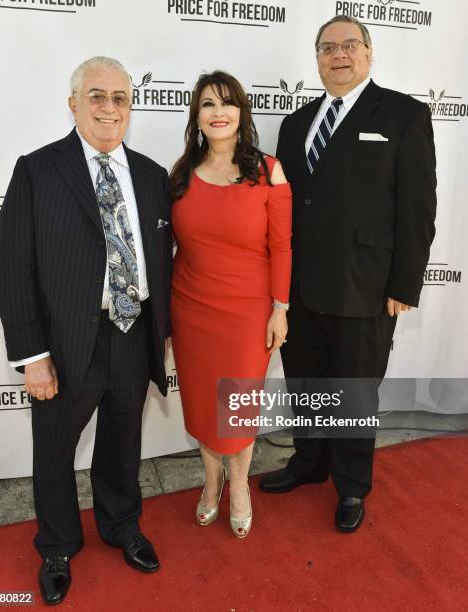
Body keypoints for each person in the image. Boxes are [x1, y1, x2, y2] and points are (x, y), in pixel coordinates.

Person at [0, 56, 171, 605]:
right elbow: (13, 269)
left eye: (120, 97)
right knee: (54, 447)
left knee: (123, 441)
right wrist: (32, 356)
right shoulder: (37, 170)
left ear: (130, 108)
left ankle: (120, 525)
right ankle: (57, 545)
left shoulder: (151, 175)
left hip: (132, 331)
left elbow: (160, 263)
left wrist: (160, 333)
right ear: (73, 103)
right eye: (96, 95)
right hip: (67, 343)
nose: (108, 107)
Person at [259, 15, 436, 532]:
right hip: (299, 288)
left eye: (349, 45)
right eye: (327, 47)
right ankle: (309, 463)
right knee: (307, 381)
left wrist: (405, 283)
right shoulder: (296, 124)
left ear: (369, 51)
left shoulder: (404, 114)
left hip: (368, 284)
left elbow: (418, 205)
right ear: (316, 58)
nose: (338, 54)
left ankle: (352, 485)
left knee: (356, 391)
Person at [169, 71, 292, 538]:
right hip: (190, 309)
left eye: (227, 103)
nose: (218, 112)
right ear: (197, 117)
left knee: (237, 408)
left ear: (241, 112)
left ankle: (238, 484)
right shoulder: (180, 173)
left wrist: (280, 307)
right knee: (204, 405)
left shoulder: (268, 171)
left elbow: (282, 247)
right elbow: (170, 249)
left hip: (247, 313)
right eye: (207, 104)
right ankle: (211, 480)